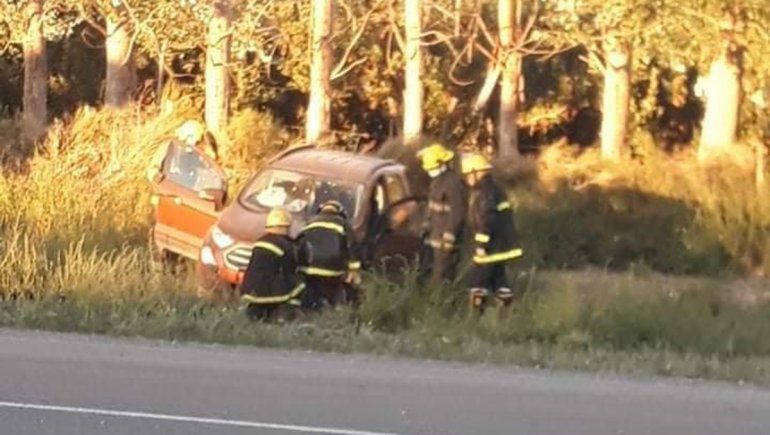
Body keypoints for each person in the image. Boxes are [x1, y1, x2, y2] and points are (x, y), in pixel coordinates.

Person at [460, 153, 523, 310]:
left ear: (477, 172)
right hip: (501, 246)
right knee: (499, 281)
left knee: (478, 282)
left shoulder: (484, 193)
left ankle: (475, 318)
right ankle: (507, 315)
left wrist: (481, 244)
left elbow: (486, 220)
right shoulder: (494, 189)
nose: (467, 179)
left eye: (468, 175)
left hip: (491, 246)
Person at [240, 208, 305, 320]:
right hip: (273, 289)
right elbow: (290, 269)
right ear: (285, 226)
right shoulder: (286, 245)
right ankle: (286, 316)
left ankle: (255, 315)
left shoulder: (260, 241)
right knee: (299, 284)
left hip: (251, 289)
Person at [416, 143, 467, 286]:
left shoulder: (453, 184)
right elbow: (432, 207)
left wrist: (449, 236)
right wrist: (426, 226)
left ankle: (440, 303)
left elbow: (457, 212)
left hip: (445, 242)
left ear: (442, 163)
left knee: (441, 278)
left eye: (432, 168)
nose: (430, 171)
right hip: (434, 237)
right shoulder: (437, 182)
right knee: (426, 274)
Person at [297, 200, 361, 308]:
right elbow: (352, 246)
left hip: (308, 269)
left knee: (312, 298)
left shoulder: (309, 222)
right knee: (333, 297)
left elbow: (298, 243)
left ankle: (310, 313)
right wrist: (354, 270)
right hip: (332, 269)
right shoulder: (342, 223)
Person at [146, 120, 218, 183]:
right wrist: (156, 175)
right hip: (166, 191)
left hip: (186, 193)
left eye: (196, 143)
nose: (193, 146)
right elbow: (152, 168)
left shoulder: (194, 155)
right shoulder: (168, 147)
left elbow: (208, 165)